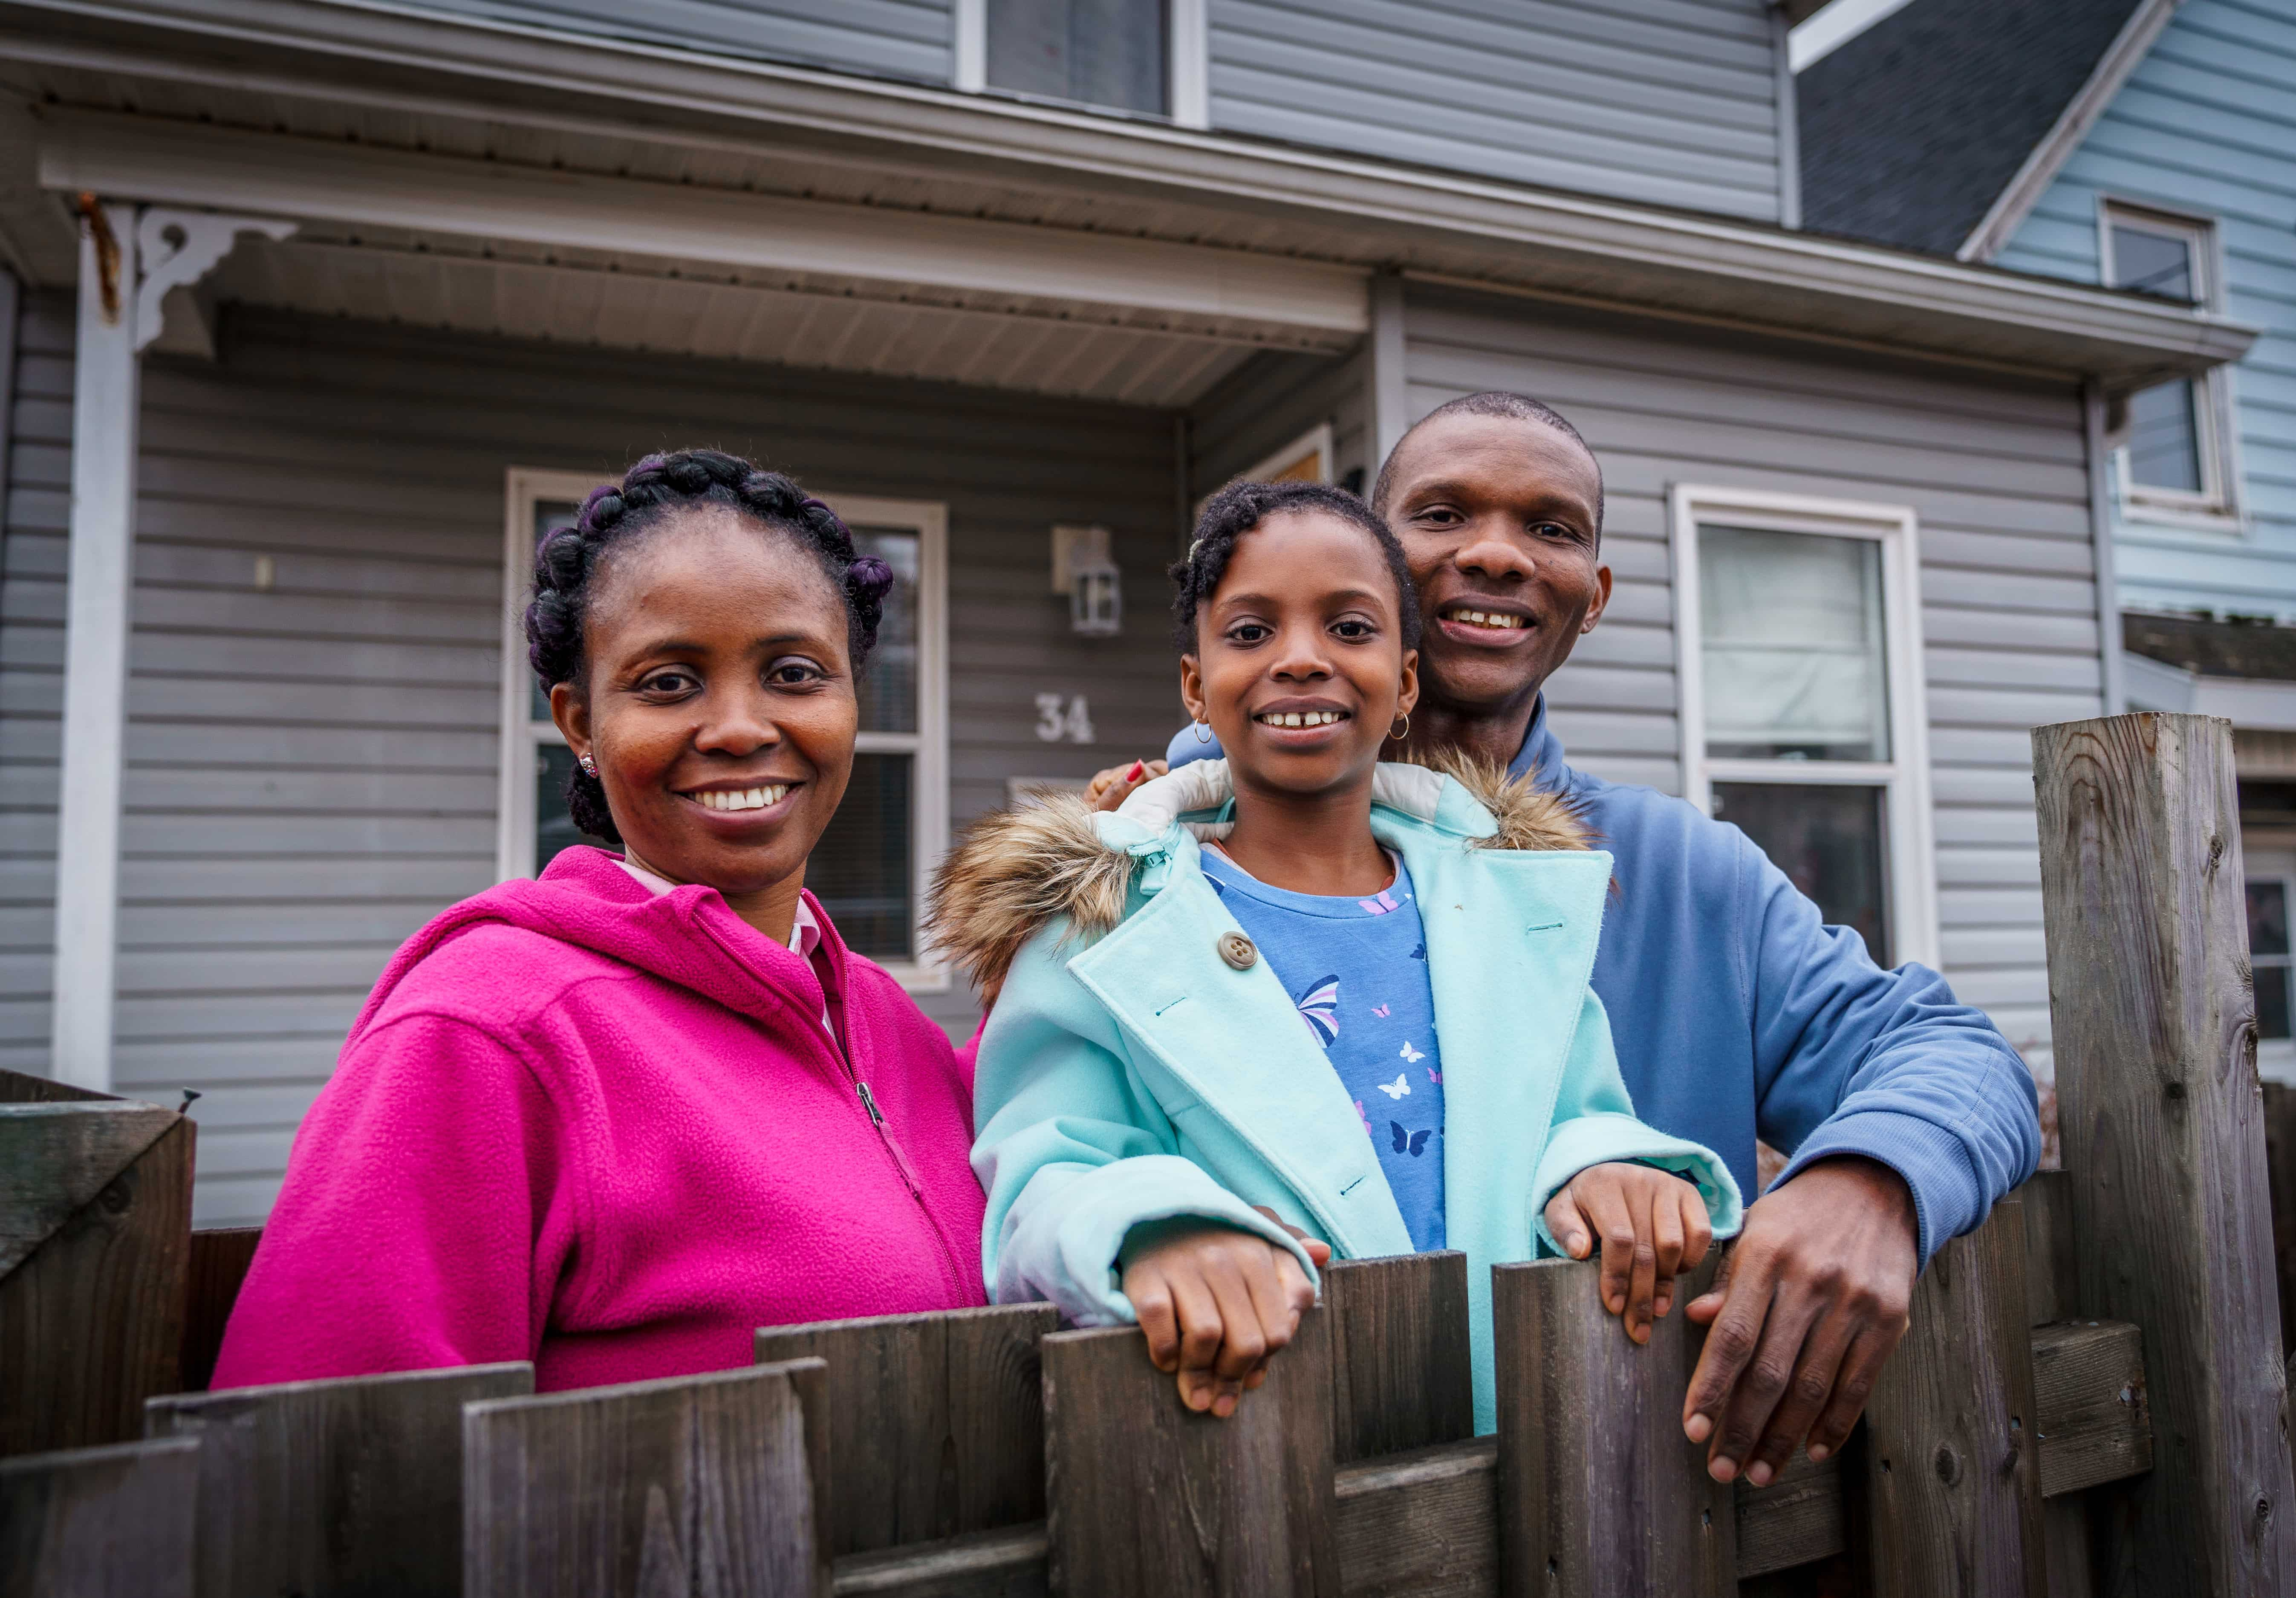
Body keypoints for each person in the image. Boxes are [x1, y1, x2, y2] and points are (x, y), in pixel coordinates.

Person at [1088, 394, 2044, 1488]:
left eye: (1551, 528)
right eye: (1443, 513)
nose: (1497, 553)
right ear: (1370, 567)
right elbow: (1053, 1144)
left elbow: (1957, 1055)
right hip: (1257, 1497)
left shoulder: (1685, 873)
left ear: (1593, 598)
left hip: (1627, 1503)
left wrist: (1872, 1183)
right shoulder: (1149, 860)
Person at [936, 480, 1741, 1433]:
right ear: (1196, 684)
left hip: (1531, 1456)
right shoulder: (1101, 925)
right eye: (1249, 632)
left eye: (1350, 628)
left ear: (1406, 680)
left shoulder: (1513, 906)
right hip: (1254, 1455)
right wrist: (1157, 1224)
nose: (1302, 659)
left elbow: (1572, 1112)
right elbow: (1049, 1163)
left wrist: (1604, 1165)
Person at [214, 449, 988, 1392]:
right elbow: (323, 1466)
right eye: (668, 682)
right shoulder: (486, 1031)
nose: (740, 726)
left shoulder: (884, 1022)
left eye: (794, 672)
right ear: (579, 724)